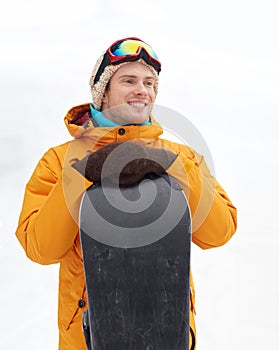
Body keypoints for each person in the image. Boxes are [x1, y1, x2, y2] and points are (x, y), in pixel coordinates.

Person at [15, 37, 237, 349]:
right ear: (102, 91)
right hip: (87, 339)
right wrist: (82, 173)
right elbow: (41, 248)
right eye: (128, 80)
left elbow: (219, 232)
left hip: (168, 336)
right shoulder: (59, 161)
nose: (142, 90)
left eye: (149, 82)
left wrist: (173, 166)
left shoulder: (181, 157)